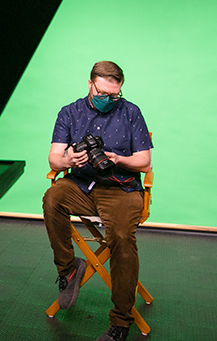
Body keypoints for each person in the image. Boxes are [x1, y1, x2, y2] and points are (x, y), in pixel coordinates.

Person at [42, 60, 153, 341]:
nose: (108, 100)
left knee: (122, 238)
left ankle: (121, 321)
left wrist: (119, 159)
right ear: (90, 84)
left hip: (120, 189)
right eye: (102, 94)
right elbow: (54, 157)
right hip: (81, 184)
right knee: (52, 197)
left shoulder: (131, 112)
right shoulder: (70, 112)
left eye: (114, 95)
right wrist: (68, 158)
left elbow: (144, 161)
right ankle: (68, 270)